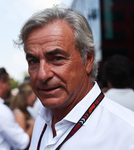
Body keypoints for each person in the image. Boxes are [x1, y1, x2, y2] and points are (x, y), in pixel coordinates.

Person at [15, 6, 134, 149]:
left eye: (57, 58)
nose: (42, 75)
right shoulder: (42, 119)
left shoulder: (127, 133)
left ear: (88, 60)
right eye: (33, 61)